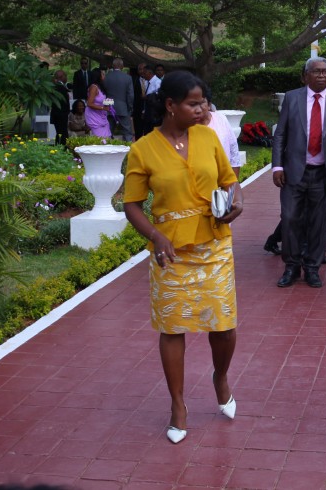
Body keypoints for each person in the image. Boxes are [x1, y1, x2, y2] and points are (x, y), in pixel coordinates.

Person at [122, 71, 243, 445]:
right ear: (170, 105)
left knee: (223, 325)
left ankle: (220, 377)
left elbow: (229, 180)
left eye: (203, 102)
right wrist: (156, 236)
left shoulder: (207, 137)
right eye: (194, 103)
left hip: (214, 243)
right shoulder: (143, 148)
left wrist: (236, 199)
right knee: (173, 328)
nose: (202, 109)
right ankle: (177, 404)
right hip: (169, 251)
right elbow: (131, 205)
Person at [272, 57, 326, 288]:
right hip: (294, 172)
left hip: (325, 174)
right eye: (316, 72)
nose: (322, 75)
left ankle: (312, 268)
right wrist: (277, 166)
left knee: (319, 223)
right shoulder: (292, 98)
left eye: (325, 72)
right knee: (290, 219)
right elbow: (281, 135)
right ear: (305, 75)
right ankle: (292, 266)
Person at [200, 87, 242, 179]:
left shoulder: (220, 119)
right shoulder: (186, 127)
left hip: (222, 181)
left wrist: (233, 185)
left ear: (209, 104)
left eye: (202, 102)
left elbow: (233, 150)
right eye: (193, 103)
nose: (198, 108)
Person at [103, 57, 135, 141]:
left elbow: (104, 92)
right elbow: (130, 95)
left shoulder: (107, 77)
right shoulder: (127, 78)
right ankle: (128, 151)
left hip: (109, 107)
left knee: (108, 131)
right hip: (123, 107)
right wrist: (130, 107)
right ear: (122, 66)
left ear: (113, 66)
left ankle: (108, 149)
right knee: (127, 132)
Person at [84, 68, 112, 138]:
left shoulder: (100, 87)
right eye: (102, 74)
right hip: (94, 116)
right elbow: (89, 103)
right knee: (100, 137)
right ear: (98, 76)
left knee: (106, 136)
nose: (104, 76)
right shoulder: (94, 87)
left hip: (101, 114)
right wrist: (103, 108)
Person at [50, 70, 71, 145]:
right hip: (60, 114)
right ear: (62, 77)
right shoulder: (59, 87)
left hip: (58, 114)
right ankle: (63, 148)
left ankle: (60, 147)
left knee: (60, 133)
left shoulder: (56, 86)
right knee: (62, 133)